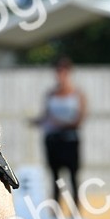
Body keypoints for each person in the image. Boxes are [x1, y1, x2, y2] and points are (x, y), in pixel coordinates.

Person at [32, 57, 87, 207]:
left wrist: (60, 123)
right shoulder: (50, 94)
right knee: (55, 177)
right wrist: (36, 121)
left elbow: (79, 119)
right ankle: (56, 210)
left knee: (73, 176)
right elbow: (45, 116)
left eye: (63, 71)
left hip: (69, 140)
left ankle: (76, 209)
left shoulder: (77, 94)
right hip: (52, 140)